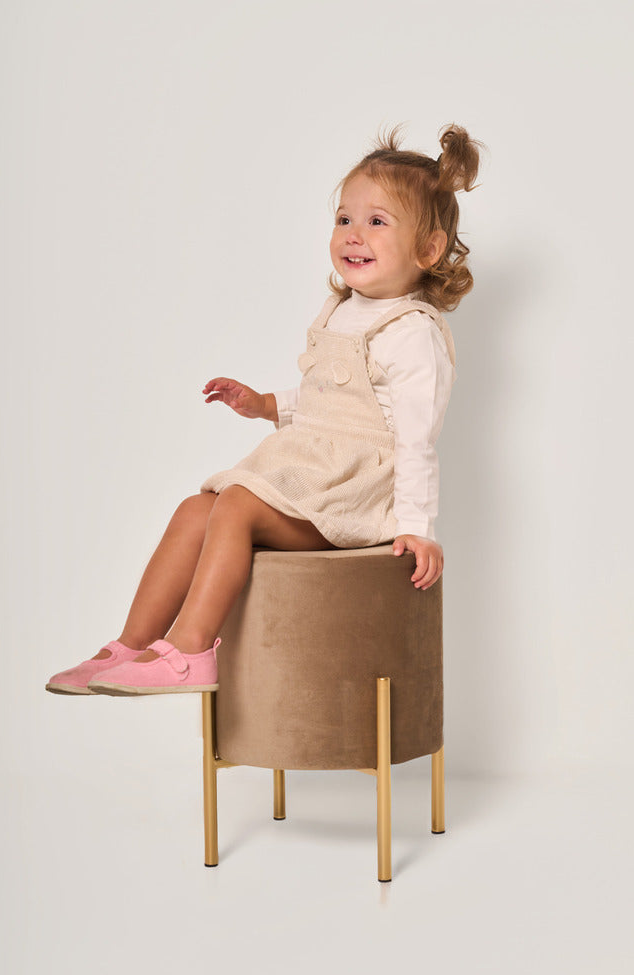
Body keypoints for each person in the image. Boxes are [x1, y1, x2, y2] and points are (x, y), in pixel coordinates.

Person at [46, 123, 482, 698]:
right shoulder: (341, 309)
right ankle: (131, 646)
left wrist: (417, 529)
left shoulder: (413, 333)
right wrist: (267, 405)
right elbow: (330, 400)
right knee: (194, 510)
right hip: (315, 474)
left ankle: (190, 649)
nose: (353, 234)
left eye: (377, 222)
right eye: (344, 218)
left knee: (237, 503)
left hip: (354, 495)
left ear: (428, 249)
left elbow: (415, 439)